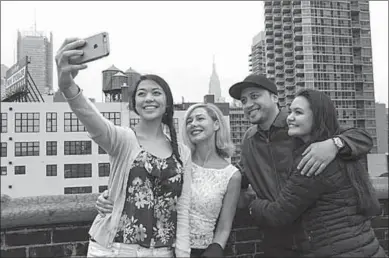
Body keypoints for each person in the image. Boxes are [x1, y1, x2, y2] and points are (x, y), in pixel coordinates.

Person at [55, 38, 191, 257]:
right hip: (115, 249)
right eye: (142, 93)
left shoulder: (182, 152)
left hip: (163, 251)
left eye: (156, 93)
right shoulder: (123, 139)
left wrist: (183, 253)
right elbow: (91, 118)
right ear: (134, 104)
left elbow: (182, 207)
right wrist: (68, 87)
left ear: (167, 102)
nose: (149, 98)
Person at [228, 74, 374, 257]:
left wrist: (335, 143)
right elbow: (243, 172)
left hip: (314, 239)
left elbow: (363, 138)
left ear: (275, 97)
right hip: (277, 241)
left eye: (255, 96)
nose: (248, 104)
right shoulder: (249, 139)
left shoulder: (299, 126)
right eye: (243, 100)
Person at [97, 103, 241, 258]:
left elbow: (224, 227)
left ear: (217, 124)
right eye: (189, 121)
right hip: (161, 247)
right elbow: (141, 185)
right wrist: (109, 195)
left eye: (200, 118)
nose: (193, 124)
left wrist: (214, 251)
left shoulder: (231, 175)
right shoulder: (175, 161)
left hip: (201, 251)